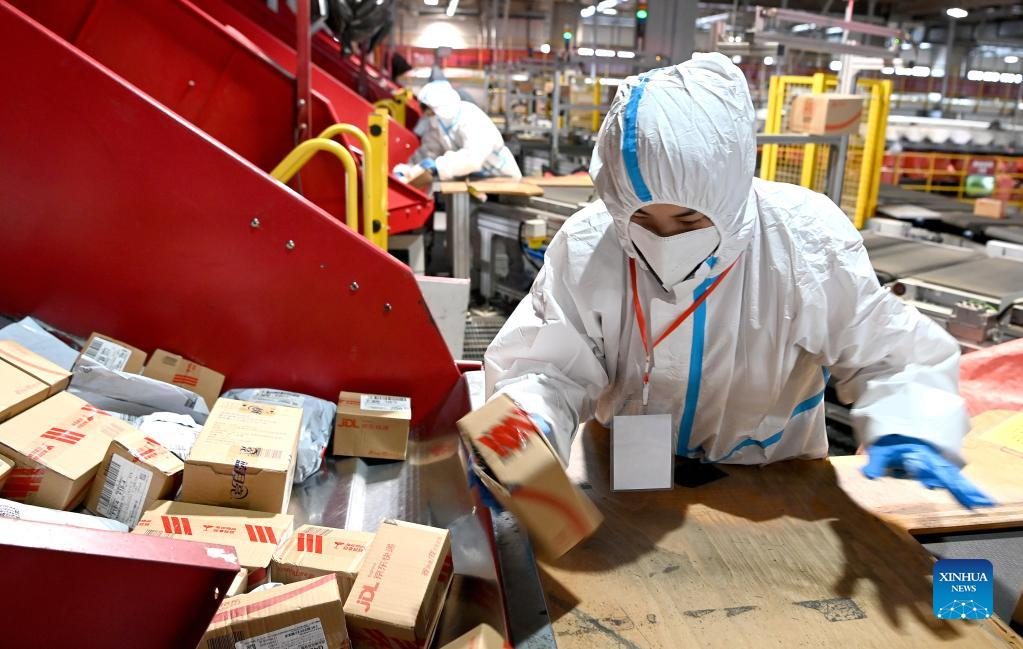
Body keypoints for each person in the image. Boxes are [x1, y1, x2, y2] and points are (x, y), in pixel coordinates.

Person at [483, 53, 991, 508]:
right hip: (622, 477)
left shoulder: (805, 240)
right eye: (642, 219)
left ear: (728, 193)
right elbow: (546, 367)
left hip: (772, 486)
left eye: (688, 220)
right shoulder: (589, 242)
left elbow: (889, 356)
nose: (664, 239)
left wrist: (911, 423)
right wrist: (523, 429)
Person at [395, 80, 521, 185]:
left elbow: (473, 158)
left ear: (441, 107)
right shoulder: (437, 123)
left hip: (502, 178)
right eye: (428, 111)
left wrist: (439, 166)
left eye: (431, 110)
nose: (429, 115)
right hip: (474, 183)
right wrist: (407, 169)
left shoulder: (470, 116)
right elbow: (428, 152)